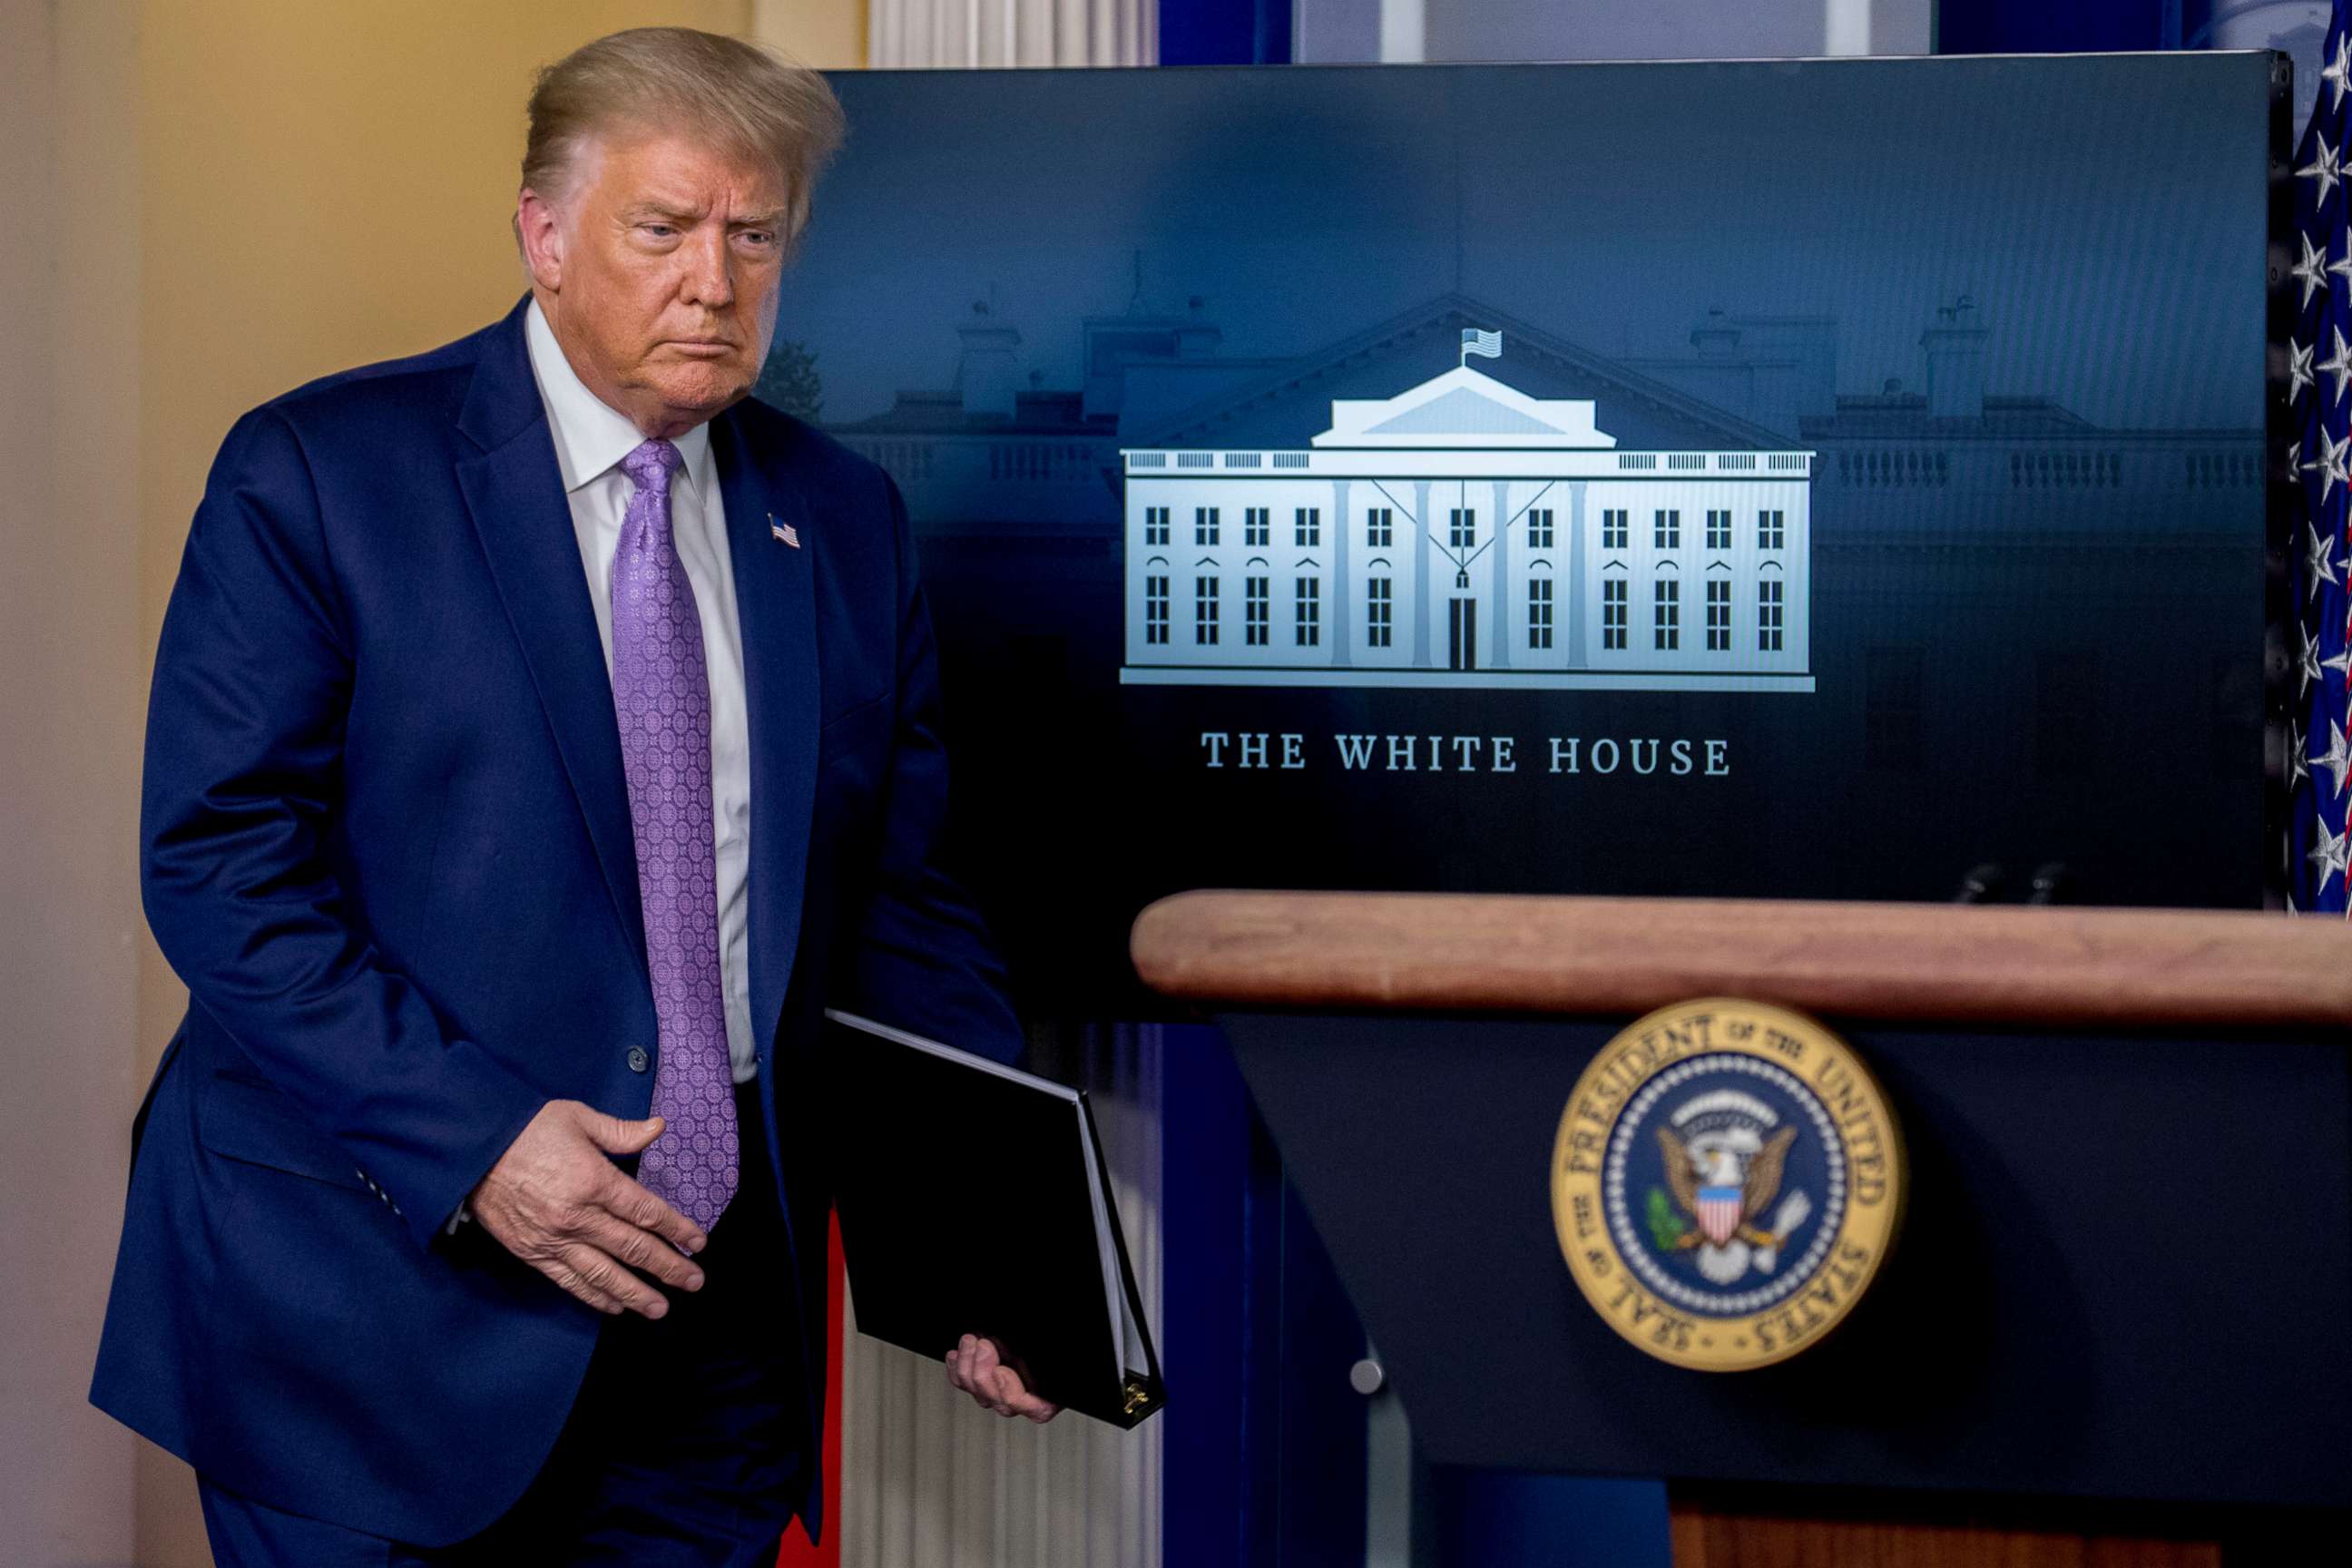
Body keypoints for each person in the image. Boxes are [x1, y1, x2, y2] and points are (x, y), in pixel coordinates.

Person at [89, 26, 1054, 1567]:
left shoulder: (844, 518)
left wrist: (997, 1241)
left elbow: (901, 914)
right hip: (371, 1302)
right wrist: (479, 1140)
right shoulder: (320, 475)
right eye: (663, 229)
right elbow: (219, 870)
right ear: (544, 236)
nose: (716, 281)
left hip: (713, 1318)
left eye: (755, 237)